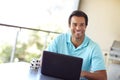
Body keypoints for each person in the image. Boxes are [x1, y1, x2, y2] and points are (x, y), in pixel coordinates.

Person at [45, 10, 107, 80]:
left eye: (81, 25)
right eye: (75, 24)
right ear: (69, 25)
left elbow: (103, 77)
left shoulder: (94, 47)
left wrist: (82, 73)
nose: (78, 28)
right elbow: (44, 61)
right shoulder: (59, 39)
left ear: (86, 26)